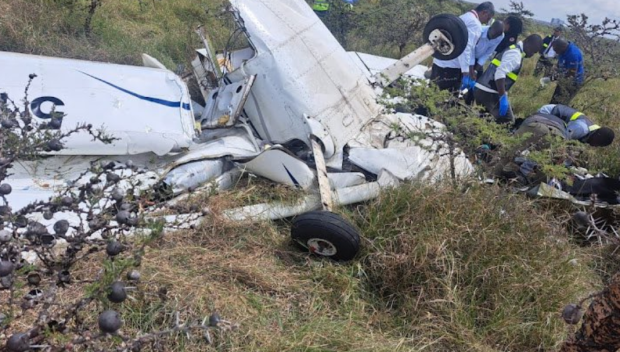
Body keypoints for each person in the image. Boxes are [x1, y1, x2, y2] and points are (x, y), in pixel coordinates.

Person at [494, 104, 614, 183]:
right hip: (547, 116)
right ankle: (524, 173)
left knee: (511, 150)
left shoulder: (589, 129)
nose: (594, 146)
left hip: (537, 120)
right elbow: (561, 144)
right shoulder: (582, 128)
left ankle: (494, 171)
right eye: (597, 144)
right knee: (548, 150)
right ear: (598, 136)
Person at [473, 34, 543, 123]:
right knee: (508, 122)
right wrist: (502, 97)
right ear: (527, 42)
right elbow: (500, 73)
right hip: (490, 92)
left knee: (485, 119)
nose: (531, 54)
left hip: (483, 88)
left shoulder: (513, 49)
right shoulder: (515, 54)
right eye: (532, 51)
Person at [430, 2, 495, 92]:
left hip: (439, 61)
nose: (486, 22)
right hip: (451, 67)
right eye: (488, 18)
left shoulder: (465, 16)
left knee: (431, 94)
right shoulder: (475, 24)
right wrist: (465, 72)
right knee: (447, 99)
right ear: (484, 12)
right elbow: (466, 48)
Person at [549, 39, 584, 105]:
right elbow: (560, 64)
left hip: (573, 82)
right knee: (554, 100)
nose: (556, 53)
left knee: (562, 103)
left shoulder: (573, 54)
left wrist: (555, 77)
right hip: (563, 78)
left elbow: (572, 73)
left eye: (557, 51)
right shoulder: (562, 50)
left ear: (562, 47)